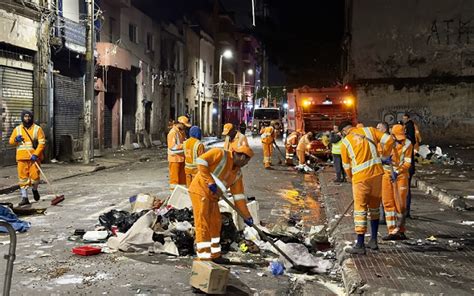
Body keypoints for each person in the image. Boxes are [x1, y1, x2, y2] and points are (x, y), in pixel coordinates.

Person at [189, 146, 254, 262]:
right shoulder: (220, 154)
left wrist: (246, 216)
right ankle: (203, 257)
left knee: (216, 223)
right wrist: (209, 181)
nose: (246, 164)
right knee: (203, 224)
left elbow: (239, 197)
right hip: (200, 191)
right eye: (247, 161)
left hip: (213, 197)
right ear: (242, 157)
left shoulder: (237, 173)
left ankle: (215, 255)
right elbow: (201, 161)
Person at [340, 121, 393, 254]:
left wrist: (352, 179)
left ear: (344, 131)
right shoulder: (370, 130)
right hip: (377, 175)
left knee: (360, 210)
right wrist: (384, 155)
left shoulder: (345, 142)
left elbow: (346, 166)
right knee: (374, 208)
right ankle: (374, 240)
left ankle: (360, 244)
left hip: (360, 179)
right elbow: (389, 139)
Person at [381, 124, 413, 241]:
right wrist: (384, 159)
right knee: (388, 203)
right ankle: (392, 231)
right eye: (397, 138)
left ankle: (401, 230)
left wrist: (398, 171)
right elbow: (380, 155)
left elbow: (407, 162)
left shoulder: (408, 144)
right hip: (387, 174)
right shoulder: (385, 142)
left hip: (401, 176)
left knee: (401, 205)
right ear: (392, 135)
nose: (400, 141)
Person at [9, 110, 46, 206]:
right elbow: (11, 141)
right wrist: (16, 140)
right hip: (21, 158)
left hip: (34, 158)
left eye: (29, 116)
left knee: (35, 177)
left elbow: (42, 143)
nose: (27, 118)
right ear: (22, 117)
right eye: (25, 116)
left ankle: (34, 189)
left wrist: (36, 154)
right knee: (23, 178)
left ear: (31, 117)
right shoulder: (17, 129)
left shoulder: (37, 129)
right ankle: (24, 198)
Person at [167, 116, 191, 191]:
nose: (185, 127)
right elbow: (172, 147)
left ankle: (181, 193)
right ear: (179, 124)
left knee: (182, 179)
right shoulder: (173, 133)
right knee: (175, 179)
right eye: (184, 125)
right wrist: (185, 145)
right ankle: (173, 195)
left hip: (181, 158)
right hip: (174, 159)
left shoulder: (181, 132)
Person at [402, 113, 416, 218]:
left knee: (405, 190)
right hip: (407, 169)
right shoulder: (406, 143)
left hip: (405, 170)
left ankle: (405, 211)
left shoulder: (405, 143)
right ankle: (405, 211)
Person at [376, 121, 390, 225]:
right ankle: (383, 216)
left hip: (389, 173)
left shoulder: (389, 141)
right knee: (381, 196)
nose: (376, 130)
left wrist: (381, 159)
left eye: (378, 128)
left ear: (384, 130)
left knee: (388, 197)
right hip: (381, 172)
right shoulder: (378, 141)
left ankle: (386, 217)